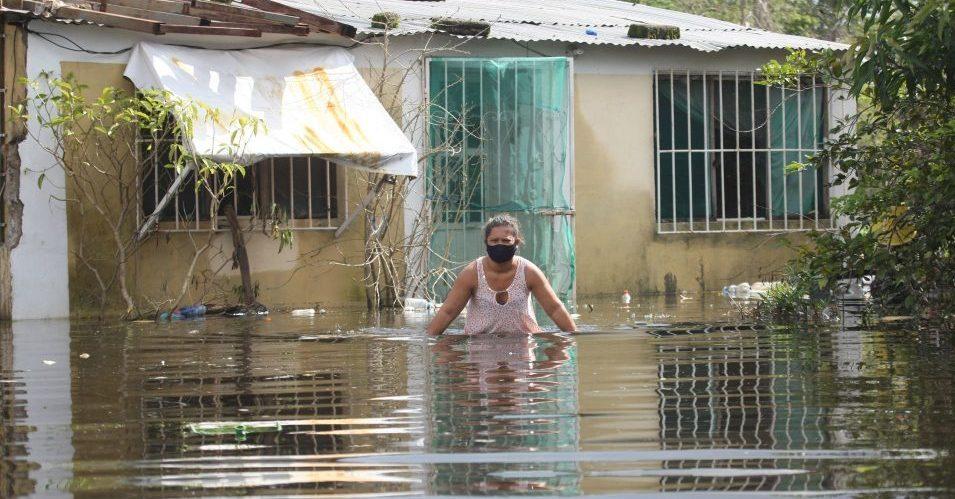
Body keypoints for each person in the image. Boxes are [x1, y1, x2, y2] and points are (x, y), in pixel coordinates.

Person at [426, 214, 576, 335]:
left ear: (516, 242)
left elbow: (555, 308)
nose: (499, 245)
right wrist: (430, 342)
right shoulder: (472, 274)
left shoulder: (529, 272)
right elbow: (448, 312)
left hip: (522, 348)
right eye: (494, 240)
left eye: (505, 241)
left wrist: (573, 337)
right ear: (486, 242)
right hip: (481, 348)